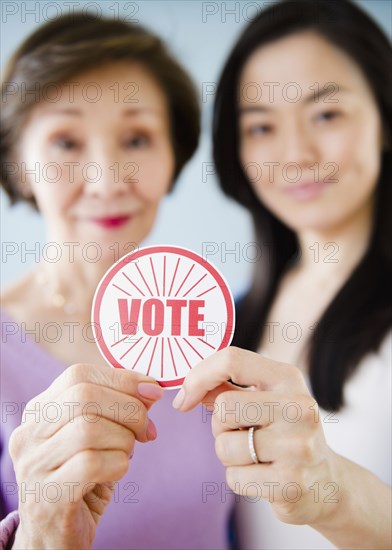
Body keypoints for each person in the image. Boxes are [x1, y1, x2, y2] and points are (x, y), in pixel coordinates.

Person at [0, 13, 235, 550]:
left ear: (173, 155)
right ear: (18, 164)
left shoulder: (222, 326)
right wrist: (41, 533)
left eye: (136, 138)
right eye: (65, 141)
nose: (107, 180)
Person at [172, 0, 392, 548]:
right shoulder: (232, 320)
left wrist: (333, 492)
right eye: (262, 126)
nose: (295, 154)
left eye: (326, 114)